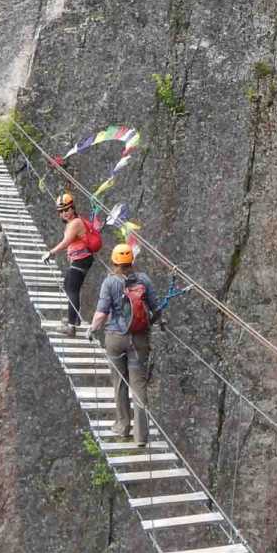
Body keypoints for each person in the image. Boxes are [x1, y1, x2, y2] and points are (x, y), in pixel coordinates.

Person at [91, 244, 161, 446]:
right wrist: (148, 325)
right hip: (139, 339)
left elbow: (102, 313)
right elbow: (156, 308)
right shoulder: (144, 280)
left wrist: (91, 329)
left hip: (115, 338)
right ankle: (141, 437)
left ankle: (123, 426)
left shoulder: (109, 282)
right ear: (132, 261)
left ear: (114, 262)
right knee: (139, 386)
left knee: (120, 382)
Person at [43, 190, 100, 336]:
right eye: (61, 211)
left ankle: (71, 327)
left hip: (81, 260)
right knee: (68, 286)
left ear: (72, 208)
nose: (64, 213)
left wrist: (51, 253)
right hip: (81, 259)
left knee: (71, 289)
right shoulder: (73, 222)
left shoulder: (75, 223)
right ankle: (73, 319)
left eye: (67, 209)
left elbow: (66, 242)